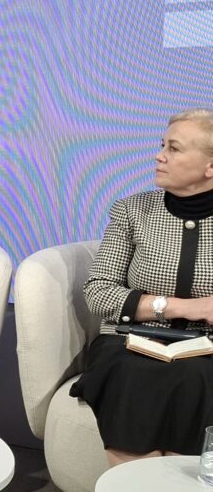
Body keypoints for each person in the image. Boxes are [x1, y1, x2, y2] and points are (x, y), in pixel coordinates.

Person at [73, 109, 213, 466]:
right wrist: (182, 307)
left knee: (194, 376)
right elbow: (99, 291)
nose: (159, 155)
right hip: (128, 339)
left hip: (206, 351)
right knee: (133, 372)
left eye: (175, 148)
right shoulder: (132, 210)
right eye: (162, 145)